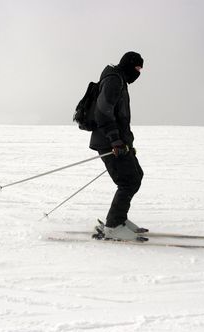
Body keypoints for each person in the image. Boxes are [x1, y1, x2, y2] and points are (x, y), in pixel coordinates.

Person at [89, 51, 146, 241]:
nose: (138, 73)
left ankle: (120, 219)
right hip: (108, 141)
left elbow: (120, 117)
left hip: (118, 141)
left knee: (136, 175)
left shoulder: (120, 79)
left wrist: (128, 143)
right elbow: (103, 113)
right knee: (128, 181)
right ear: (128, 65)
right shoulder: (114, 80)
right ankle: (113, 226)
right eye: (137, 68)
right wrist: (115, 140)